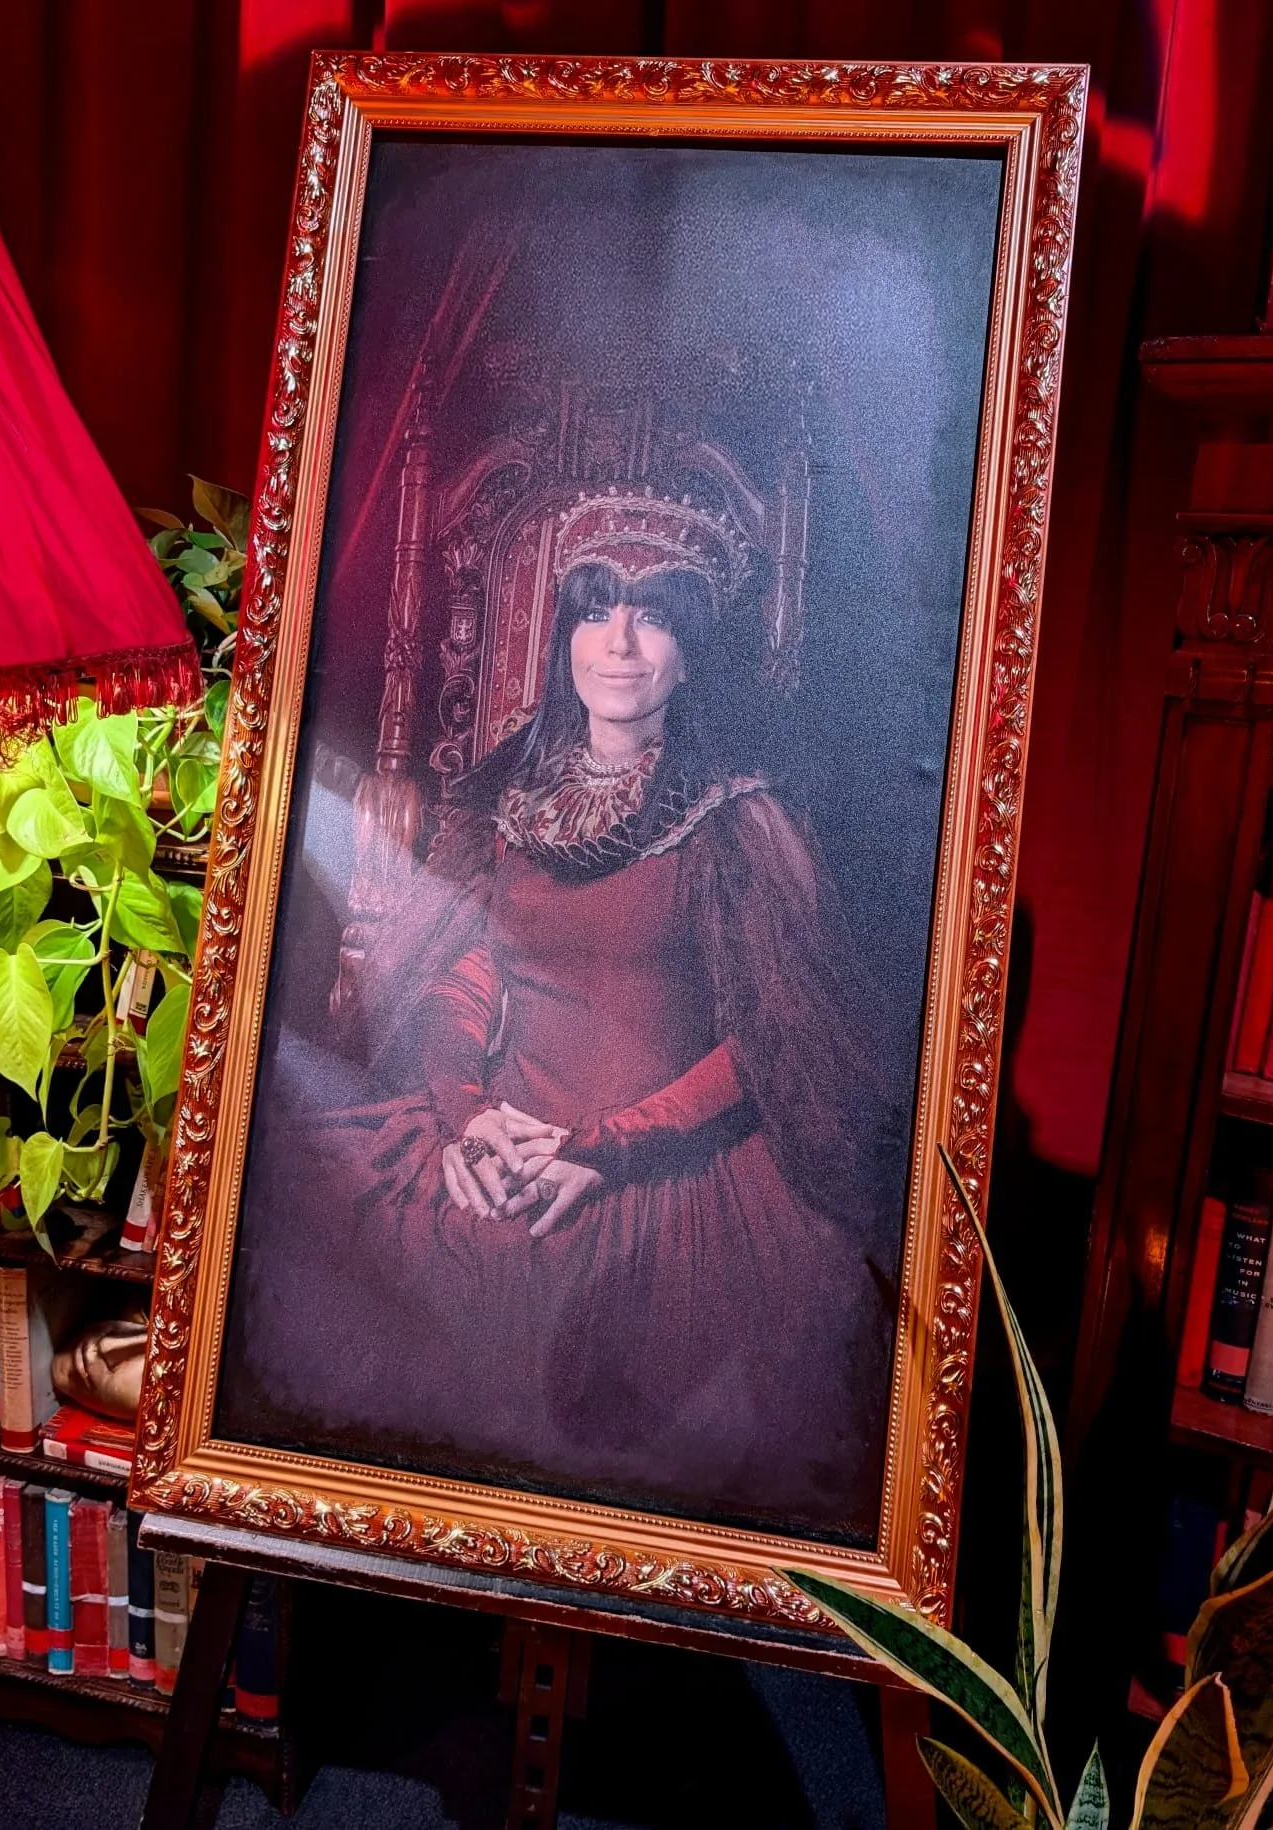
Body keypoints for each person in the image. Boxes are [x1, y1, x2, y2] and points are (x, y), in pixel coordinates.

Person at [230, 488, 898, 1543]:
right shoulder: (517, 797)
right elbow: (474, 980)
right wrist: (463, 1116)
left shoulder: (742, 819)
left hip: (664, 1177)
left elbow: (764, 1044)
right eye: (595, 610)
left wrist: (610, 1149)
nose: (620, 643)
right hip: (495, 1141)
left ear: (692, 653)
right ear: (564, 634)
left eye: (655, 617)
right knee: (283, 1187)